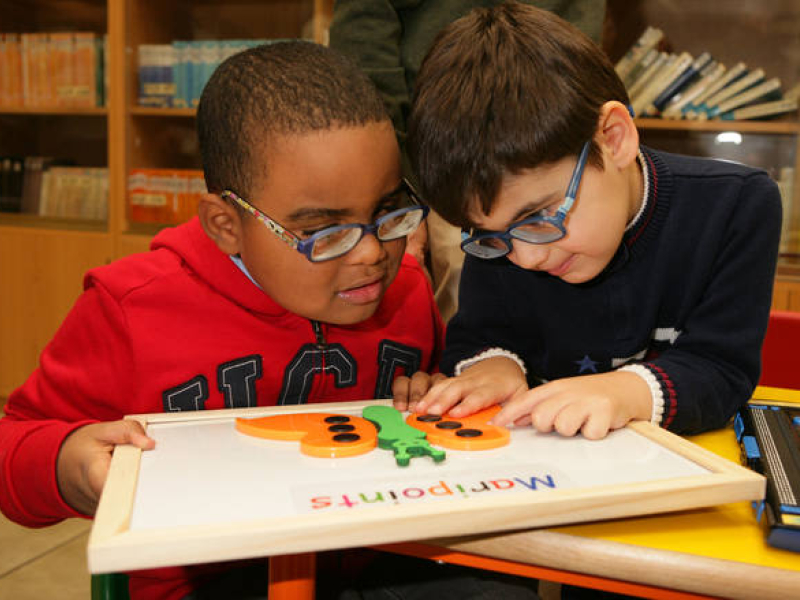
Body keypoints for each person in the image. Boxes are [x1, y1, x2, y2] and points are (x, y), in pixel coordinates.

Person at [0, 41, 447, 600]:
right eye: (324, 231)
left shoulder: (407, 293)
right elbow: (13, 440)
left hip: (376, 559)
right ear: (225, 224)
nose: (371, 253)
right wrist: (68, 464)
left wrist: (438, 393)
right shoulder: (132, 309)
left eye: (387, 213)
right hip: (203, 577)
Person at [400, 2, 782, 441]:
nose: (526, 257)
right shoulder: (506, 237)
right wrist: (494, 365)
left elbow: (722, 370)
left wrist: (624, 392)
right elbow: (478, 336)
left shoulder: (735, 206)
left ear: (613, 139)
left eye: (540, 217)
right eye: (491, 237)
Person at [329, 0, 608, 323]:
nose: (529, 258)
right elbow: (365, 40)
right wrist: (400, 193)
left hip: (553, 140)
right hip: (442, 155)